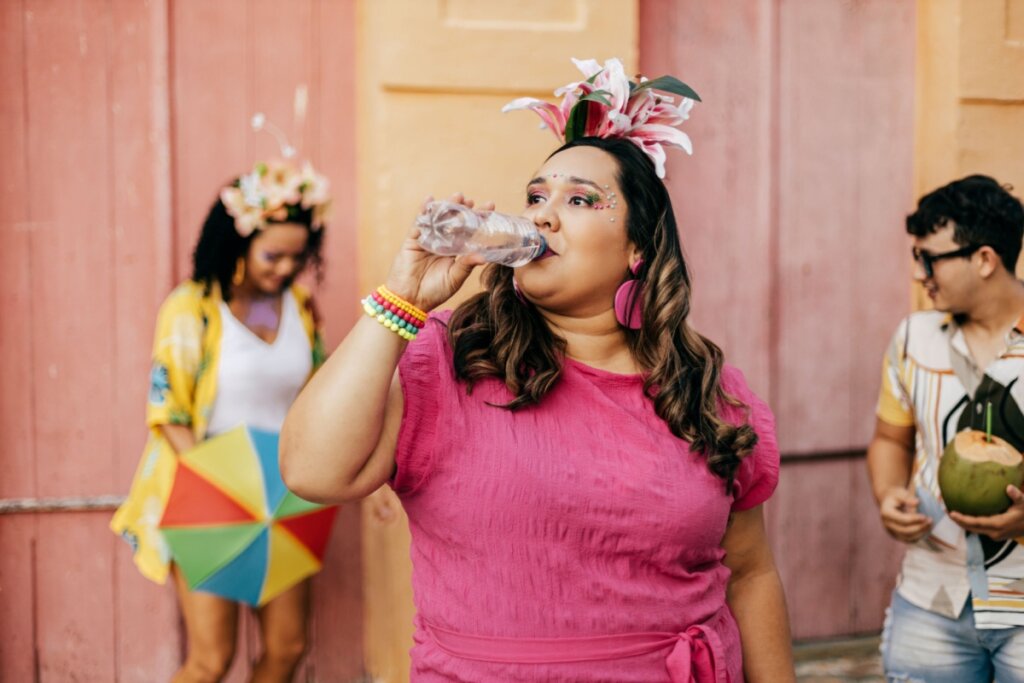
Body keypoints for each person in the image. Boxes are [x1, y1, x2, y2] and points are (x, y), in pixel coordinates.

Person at [281, 58, 794, 682]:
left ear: (639, 247)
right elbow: (312, 470)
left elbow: (751, 573)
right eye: (535, 197)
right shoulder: (453, 357)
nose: (542, 216)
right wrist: (402, 301)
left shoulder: (705, 388)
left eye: (579, 199)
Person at [111, 159, 331, 683]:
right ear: (238, 242)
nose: (283, 268)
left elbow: (319, 395)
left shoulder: (300, 306)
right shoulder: (193, 308)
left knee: (288, 644)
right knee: (212, 660)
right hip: (209, 493)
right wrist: (223, 483)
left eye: (296, 257)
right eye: (271, 255)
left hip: (282, 494)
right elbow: (169, 414)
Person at [867, 175, 1024, 682]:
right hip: (931, 598)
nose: (919, 275)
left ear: (983, 259)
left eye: (929, 258)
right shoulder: (914, 337)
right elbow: (891, 439)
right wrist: (888, 493)